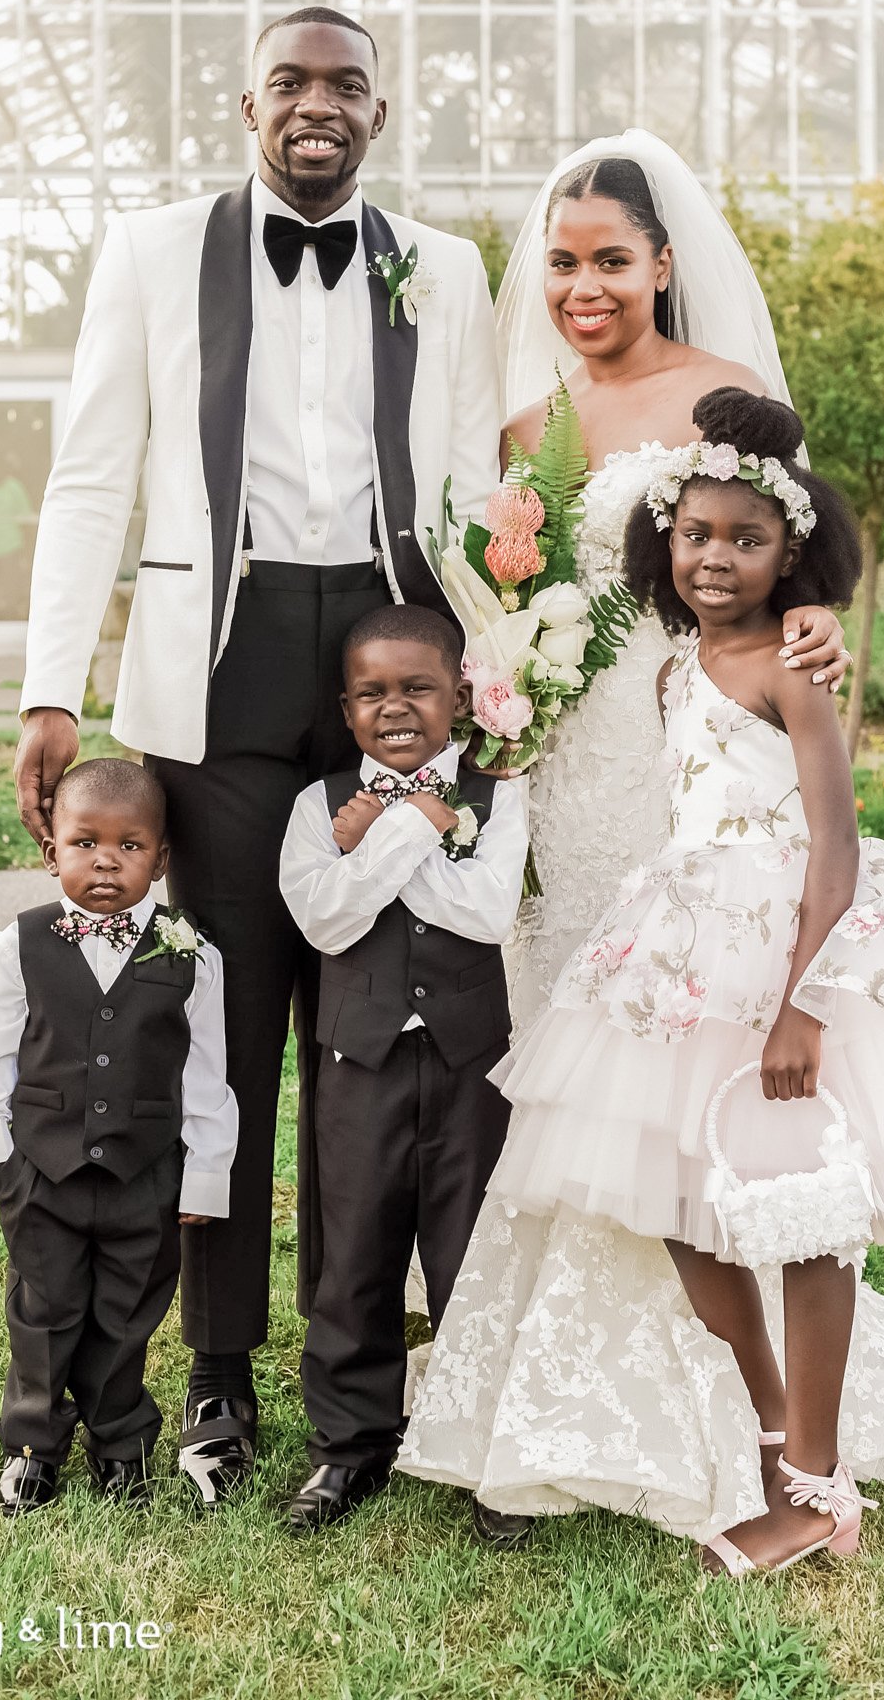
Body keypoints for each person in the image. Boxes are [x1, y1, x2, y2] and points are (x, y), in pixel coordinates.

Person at [400, 388, 884, 1569]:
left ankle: (819, 1489)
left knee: (807, 1213)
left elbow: (836, 842)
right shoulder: (678, 667)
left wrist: (804, 1004)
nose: (715, 557)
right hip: (686, 953)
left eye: (747, 539)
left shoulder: (793, 667)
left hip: (791, 948)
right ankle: (771, 1425)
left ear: (790, 552)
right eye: (695, 534)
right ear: (664, 538)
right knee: (679, 1207)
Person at [11, 6, 501, 1503]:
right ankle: (218, 1381)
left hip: (391, 670)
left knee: (364, 1044)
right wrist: (50, 689)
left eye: (345, 84)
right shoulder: (153, 250)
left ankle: (362, 1375)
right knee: (222, 1034)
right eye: (290, 80)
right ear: (247, 103)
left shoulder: (446, 266)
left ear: (378, 114)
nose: (316, 104)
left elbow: (473, 478)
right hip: (213, 682)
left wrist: (493, 672)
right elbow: (91, 473)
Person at [493, 134, 851, 1028]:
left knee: (692, 968)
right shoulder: (524, 430)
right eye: (563, 264)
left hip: (695, 734)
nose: (583, 288)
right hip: (563, 751)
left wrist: (813, 613)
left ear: (661, 265)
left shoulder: (725, 397)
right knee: (566, 965)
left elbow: (784, 541)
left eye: (611, 261)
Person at [279, 606, 528, 1532]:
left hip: (472, 1064)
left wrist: (382, 841)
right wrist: (412, 827)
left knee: (470, 1253)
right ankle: (349, 1447)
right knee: (354, 1255)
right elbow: (326, 920)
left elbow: (486, 913)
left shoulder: (499, 794)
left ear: (457, 696)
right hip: (361, 1061)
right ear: (345, 708)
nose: (394, 707)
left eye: (417, 688)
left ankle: (483, 1451)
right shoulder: (316, 806)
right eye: (371, 692)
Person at [0, 759, 240, 1516]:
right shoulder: (18, 945)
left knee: (127, 1314)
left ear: (162, 858)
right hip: (41, 1168)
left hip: (144, 1171)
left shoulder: (191, 953)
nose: (107, 861)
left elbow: (206, 1072)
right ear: (51, 851)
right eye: (85, 843)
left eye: (130, 845)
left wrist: (205, 1173)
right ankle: (32, 1447)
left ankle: (121, 1446)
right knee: (43, 1311)